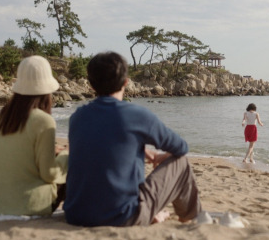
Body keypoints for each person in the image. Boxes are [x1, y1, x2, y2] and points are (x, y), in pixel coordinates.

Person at [64, 51, 202, 227]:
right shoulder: (135, 115)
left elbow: (103, 141)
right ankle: (190, 218)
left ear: (91, 85)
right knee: (181, 163)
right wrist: (162, 156)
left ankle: (156, 214)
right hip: (122, 216)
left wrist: (139, 149)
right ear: (126, 82)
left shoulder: (78, 117)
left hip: (76, 214)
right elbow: (181, 147)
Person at [0, 55, 68, 216]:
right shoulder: (44, 120)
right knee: (71, 165)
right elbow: (49, 174)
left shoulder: (6, 114)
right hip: (27, 206)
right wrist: (66, 155)